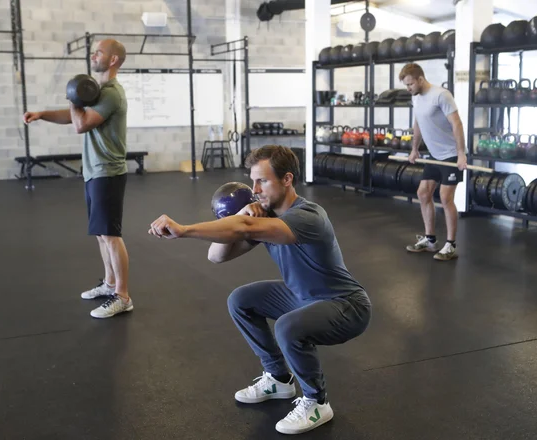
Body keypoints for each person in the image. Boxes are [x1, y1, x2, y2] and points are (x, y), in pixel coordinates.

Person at [148, 145, 372, 435]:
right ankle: (279, 379)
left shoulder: (308, 216)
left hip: (346, 305)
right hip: (302, 297)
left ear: (287, 179)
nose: (254, 190)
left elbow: (244, 227)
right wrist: (245, 215)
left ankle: (317, 402)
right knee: (241, 300)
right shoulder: (263, 217)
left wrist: (185, 229)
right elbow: (216, 256)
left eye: (262, 181)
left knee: (288, 327)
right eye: (252, 181)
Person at [23, 39, 133, 318]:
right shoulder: (99, 92)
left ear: (112, 61)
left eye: (99, 52)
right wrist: (42, 114)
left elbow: (81, 124)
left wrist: (74, 99)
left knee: (110, 235)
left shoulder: (111, 94)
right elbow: (76, 116)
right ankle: (109, 284)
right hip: (94, 172)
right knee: (100, 234)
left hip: (107, 171)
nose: (93, 55)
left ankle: (122, 296)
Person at [400, 63, 467, 261]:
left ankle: (450, 245)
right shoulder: (416, 98)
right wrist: (414, 149)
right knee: (423, 193)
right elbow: (418, 124)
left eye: (410, 84)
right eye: (406, 85)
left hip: (451, 155)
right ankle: (430, 240)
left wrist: (461, 153)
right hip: (435, 155)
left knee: (446, 198)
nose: (408, 88)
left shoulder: (441, 95)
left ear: (420, 79)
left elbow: (457, 123)